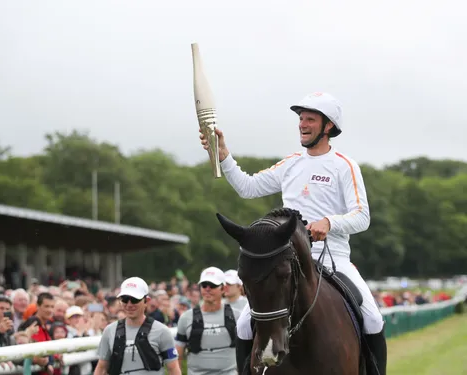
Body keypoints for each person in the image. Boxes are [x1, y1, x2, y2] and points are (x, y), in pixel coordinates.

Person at [199, 92, 387, 375]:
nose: (302, 124)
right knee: (242, 324)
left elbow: (362, 216)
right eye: (301, 118)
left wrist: (329, 222)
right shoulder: (291, 163)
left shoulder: (344, 166)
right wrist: (224, 156)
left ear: (328, 126)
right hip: (288, 258)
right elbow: (248, 188)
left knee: (373, 318)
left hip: (334, 257)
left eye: (310, 119)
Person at [93, 277, 181, 375]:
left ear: (146, 301)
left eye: (134, 300)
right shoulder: (109, 331)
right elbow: (101, 369)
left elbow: (174, 370)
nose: (129, 304)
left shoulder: (162, 331)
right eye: (125, 300)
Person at [175, 267, 241, 375]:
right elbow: (178, 355)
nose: (207, 289)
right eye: (204, 285)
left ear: (223, 288)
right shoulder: (186, 318)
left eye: (213, 285)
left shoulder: (237, 316)